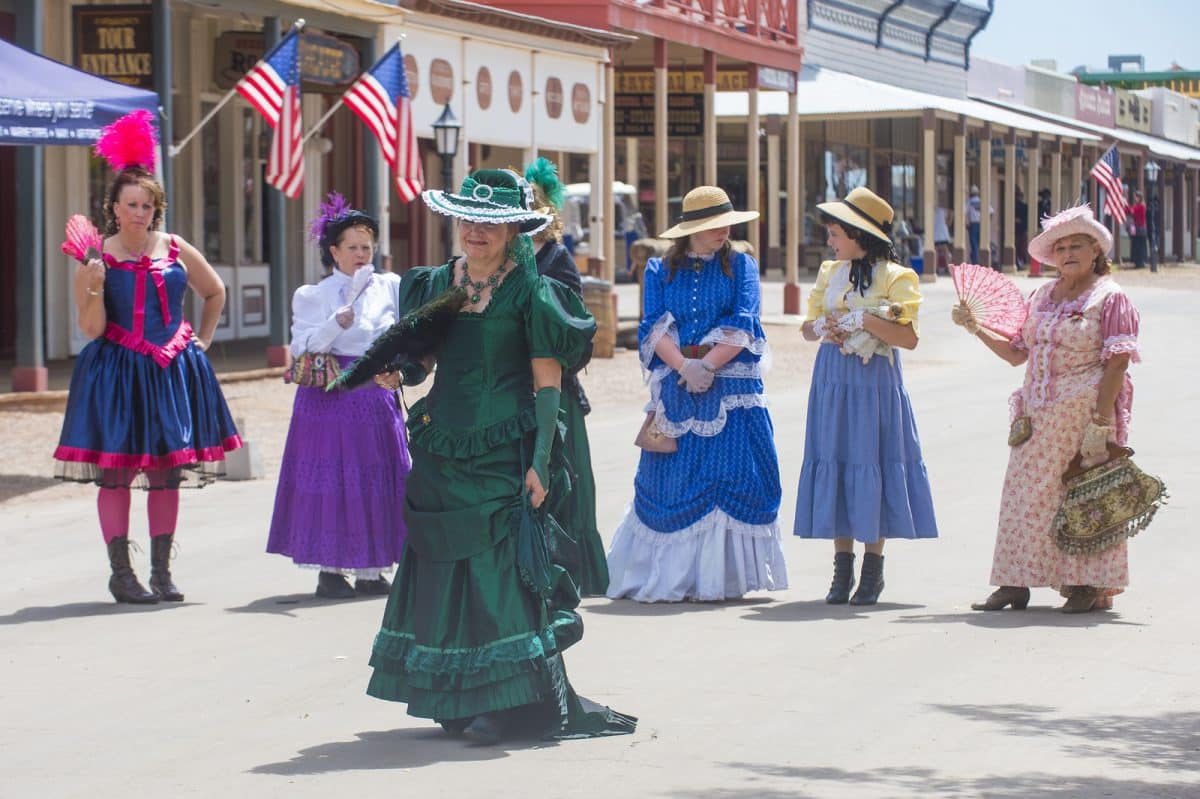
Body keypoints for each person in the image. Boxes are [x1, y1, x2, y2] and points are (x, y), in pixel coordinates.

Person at [362, 169, 635, 744]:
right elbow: (425, 359)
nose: (475, 231)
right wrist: (399, 371)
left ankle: (508, 702)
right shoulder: (436, 283)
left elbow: (548, 382)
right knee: (441, 562)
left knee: (496, 571)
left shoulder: (534, 292)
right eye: (468, 220)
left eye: (489, 223)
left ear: (514, 229)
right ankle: (455, 697)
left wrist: (540, 459)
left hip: (504, 448)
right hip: (441, 443)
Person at [53, 110, 241, 604]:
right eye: (130, 204)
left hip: (173, 368)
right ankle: (121, 574)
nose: (139, 212)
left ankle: (161, 572)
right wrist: (92, 287)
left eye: (147, 205)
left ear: (156, 208)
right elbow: (90, 329)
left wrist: (201, 339)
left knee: (165, 472)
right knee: (115, 472)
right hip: (116, 372)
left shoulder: (175, 247)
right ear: (113, 207)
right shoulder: (97, 258)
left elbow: (215, 291)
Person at [954, 205, 1141, 613]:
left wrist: (1100, 422)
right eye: (1062, 247)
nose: (1069, 253)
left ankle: (1087, 584)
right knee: (1024, 495)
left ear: (1096, 252)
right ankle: (1014, 581)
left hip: (1084, 413)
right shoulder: (1040, 296)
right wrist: (975, 326)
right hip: (1037, 414)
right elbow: (1016, 354)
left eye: (1078, 245)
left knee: (1084, 496)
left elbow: (1118, 361)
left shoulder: (1110, 297)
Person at [606, 185, 787, 603]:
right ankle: (672, 577)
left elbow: (746, 322)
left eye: (726, 223)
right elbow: (653, 326)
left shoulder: (741, 266)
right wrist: (684, 365)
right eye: (711, 225)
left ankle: (719, 579)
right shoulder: (658, 269)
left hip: (732, 385)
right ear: (689, 229)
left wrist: (709, 364)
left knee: (732, 472)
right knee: (673, 479)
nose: (722, 231)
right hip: (678, 384)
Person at [794, 187, 939, 605]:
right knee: (837, 460)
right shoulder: (829, 272)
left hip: (874, 381)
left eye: (837, 232)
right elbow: (807, 327)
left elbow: (907, 338)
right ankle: (842, 569)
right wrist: (825, 328)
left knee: (870, 459)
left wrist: (866, 320)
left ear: (860, 233)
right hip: (833, 377)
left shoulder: (898, 277)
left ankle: (872, 569)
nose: (831, 241)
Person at [265, 193, 410, 599]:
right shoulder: (314, 294)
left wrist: (400, 368)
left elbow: (403, 333)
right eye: (353, 247)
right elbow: (302, 345)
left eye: (367, 246)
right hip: (329, 399)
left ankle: (371, 569)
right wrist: (335, 323)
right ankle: (330, 569)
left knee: (376, 478)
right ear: (334, 251)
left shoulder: (390, 287)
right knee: (336, 481)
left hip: (374, 396)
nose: (362, 254)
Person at [523, 158, 609, 596]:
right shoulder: (506, 260)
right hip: (510, 388)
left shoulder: (556, 259)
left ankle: (569, 572)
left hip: (552, 388)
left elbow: (577, 331)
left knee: (563, 481)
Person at [1129, 191, 1148, 269]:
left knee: (1140, 246)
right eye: (1135, 197)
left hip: (1140, 229)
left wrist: (1126, 206)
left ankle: (1141, 262)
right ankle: (1137, 262)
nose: (1135, 198)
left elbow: (1133, 212)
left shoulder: (1142, 206)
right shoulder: (1136, 206)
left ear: (1140, 198)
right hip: (1136, 228)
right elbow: (1130, 211)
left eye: (1136, 197)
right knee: (1135, 245)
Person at [933, 205, 953, 276]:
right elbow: (951, 213)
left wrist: (948, 223)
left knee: (936, 252)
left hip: (936, 233)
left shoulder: (932, 210)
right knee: (945, 252)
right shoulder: (944, 210)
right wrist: (948, 223)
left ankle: (935, 269)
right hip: (943, 233)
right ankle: (948, 269)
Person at [966, 184, 983, 263]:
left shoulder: (969, 202)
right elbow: (991, 212)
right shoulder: (982, 201)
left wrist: (967, 223)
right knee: (979, 243)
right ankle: (977, 259)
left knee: (973, 243)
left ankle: (975, 261)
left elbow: (964, 212)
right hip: (981, 224)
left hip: (973, 224)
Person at [1015, 189, 1029, 269]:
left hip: (1022, 229)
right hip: (1016, 230)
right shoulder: (1013, 206)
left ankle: (1022, 263)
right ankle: (1018, 263)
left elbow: (1026, 218)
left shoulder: (1024, 206)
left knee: (1022, 247)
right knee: (1018, 247)